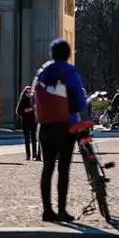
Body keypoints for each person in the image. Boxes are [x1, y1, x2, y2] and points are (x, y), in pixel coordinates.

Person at [33, 38, 87, 223]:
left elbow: (34, 98)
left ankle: (47, 210)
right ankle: (62, 210)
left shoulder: (42, 73)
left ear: (52, 54)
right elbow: (79, 100)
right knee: (63, 168)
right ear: (69, 54)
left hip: (46, 125)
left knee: (47, 167)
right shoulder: (70, 72)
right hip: (66, 125)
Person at [17, 85, 40, 161]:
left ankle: (34, 154)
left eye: (30, 91)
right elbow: (18, 111)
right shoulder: (22, 100)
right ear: (24, 92)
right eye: (27, 92)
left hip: (33, 121)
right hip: (25, 121)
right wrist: (26, 110)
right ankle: (28, 155)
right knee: (27, 139)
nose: (29, 93)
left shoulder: (34, 100)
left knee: (33, 138)